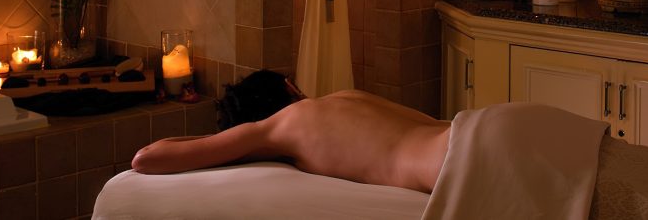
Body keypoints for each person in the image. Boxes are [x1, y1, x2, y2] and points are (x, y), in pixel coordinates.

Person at [131, 70, 451, 193]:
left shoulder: (280, 125)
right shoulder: (347, 96)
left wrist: (231, 141)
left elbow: (145, 158)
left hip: (447, 162)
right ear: (290, 87)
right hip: (463, 131)